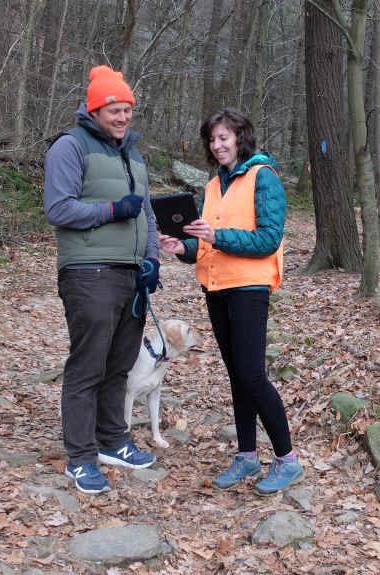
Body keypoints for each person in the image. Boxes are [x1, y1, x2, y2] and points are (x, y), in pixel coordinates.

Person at [158, 107, 303, 496]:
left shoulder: (263, 177)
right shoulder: (211, 186)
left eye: (224, 137)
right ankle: (247, 454)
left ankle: (287, 459)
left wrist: (216, 235)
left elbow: (268, 240)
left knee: (253, 374)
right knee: (237, 376)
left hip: (249, 287)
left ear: (240, 137)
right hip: (217, 287)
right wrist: (181, 247)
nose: (217, 144)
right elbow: (205, 242)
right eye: (212, 139)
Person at [43, 65, 160, 494]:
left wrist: (150, 261)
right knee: (88, 365)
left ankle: (113, 441)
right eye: (114, 108)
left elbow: (145, 211)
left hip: (131, 274)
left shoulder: (133, 153)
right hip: (88, 273)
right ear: (95, 109)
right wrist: (111, 211)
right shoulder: (70, 148)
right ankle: (80, 457)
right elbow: (58, 209)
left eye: (128, 108)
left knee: (120, 365)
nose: (123, 116)